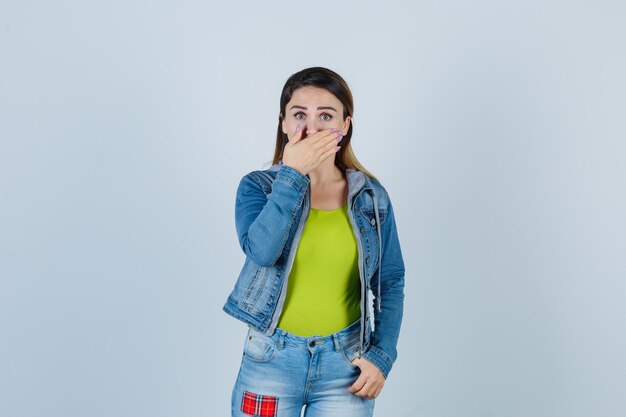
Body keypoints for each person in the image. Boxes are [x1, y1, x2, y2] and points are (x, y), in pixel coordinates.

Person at [223, 66, 405, 417]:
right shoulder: (257, 188)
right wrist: (293, 173)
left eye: (326, 116)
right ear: (283, 124)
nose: (311, 128)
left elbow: (390, 281)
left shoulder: (371, 197)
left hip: (346, 366)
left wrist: (381, 357)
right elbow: (263, 251)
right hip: (270, 359)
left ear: (345, 126)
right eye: (299, 115)